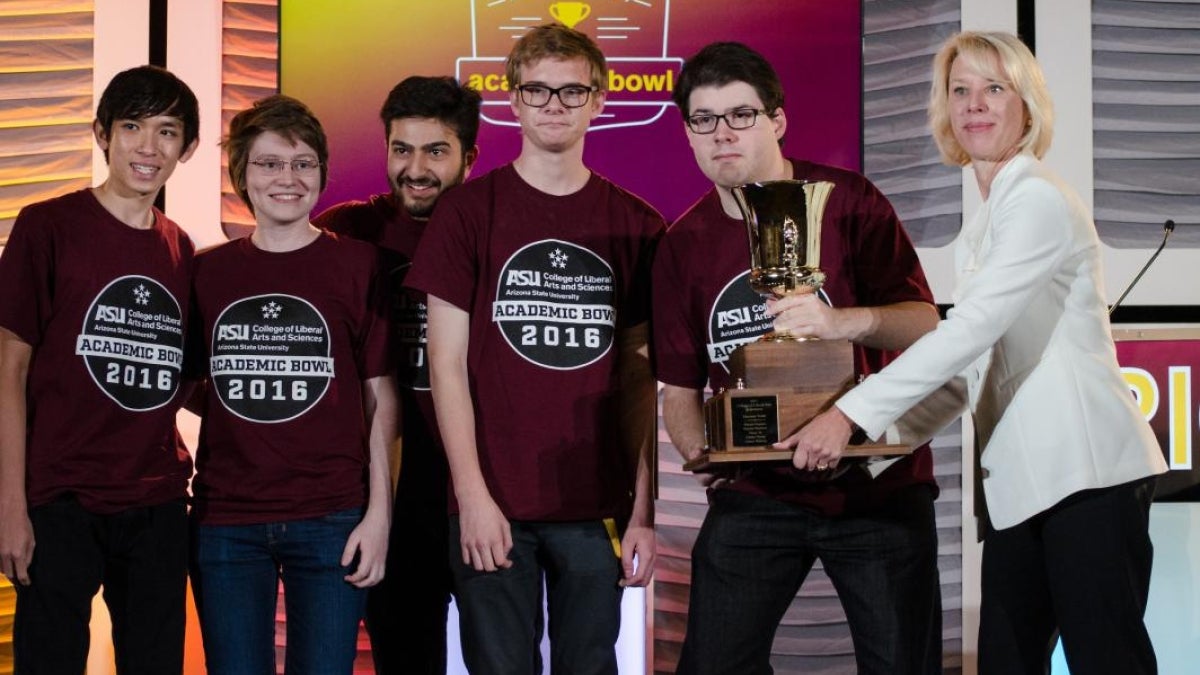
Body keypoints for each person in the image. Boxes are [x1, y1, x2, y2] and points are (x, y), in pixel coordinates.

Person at [783, 31, 1168, 675]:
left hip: (1088, 477)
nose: (974, 104)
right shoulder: (988, 220)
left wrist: (849, 415)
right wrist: (866, 450)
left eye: (995, 88)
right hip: (1024, 488)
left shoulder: (1038, 197)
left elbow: (969, 332)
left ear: (1027, 105)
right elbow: (971, 373)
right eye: (959, 90)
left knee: (1109, 660)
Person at [652, 42, 943, 674]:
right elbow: (678, 387)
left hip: (874, 485)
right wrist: (702, 451)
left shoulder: (851, 201)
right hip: (759, 490)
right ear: (689, 134)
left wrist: (842, 323)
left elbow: (923, 322)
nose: (721, 134)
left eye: (740, 115)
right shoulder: (681, 247)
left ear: (777, 120)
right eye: (703, 120)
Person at [406, 23, 662, 675]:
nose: (554, 104)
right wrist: (472, 495)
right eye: (538, 90)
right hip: (494, 503)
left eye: (571, 91)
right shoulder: (466, 214)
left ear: (599, 101)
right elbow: (445, 367)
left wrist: (643, 511)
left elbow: (640, 384)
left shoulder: (636, 224)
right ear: (513, 102)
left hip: (595, 510)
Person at [187, 94, 396, 674]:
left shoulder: (360, 266)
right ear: (242, 177)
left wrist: (379, 516)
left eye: (303, 163)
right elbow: (180, 380)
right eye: (269, 163)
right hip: (226, 520)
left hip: (332, 517)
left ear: (323, 174)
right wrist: (245, 396)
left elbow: (381, 399)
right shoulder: (206, 271)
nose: (288, 178)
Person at [0, 65, 199, 672]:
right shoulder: (47, 226)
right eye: (132, 126)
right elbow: (8, 369)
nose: (147, 147)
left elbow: (183, 381)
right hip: (61, 499)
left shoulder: (180, 248)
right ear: (101, 133)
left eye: (166, 132)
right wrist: (10, 507)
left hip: (157, 501)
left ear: (186, 148)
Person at [313, 75, 481, 675]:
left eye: (435, 151)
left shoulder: (494, 228)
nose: (416, 168)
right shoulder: (346, 233)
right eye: (401, 149)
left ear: (469, 156)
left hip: (482, 494)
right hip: (386, 497)